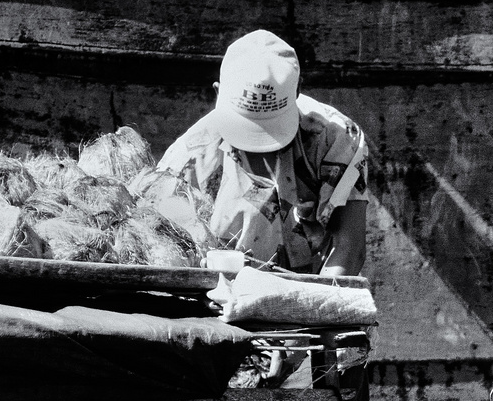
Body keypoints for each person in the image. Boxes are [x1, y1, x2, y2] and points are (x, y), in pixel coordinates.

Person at [152, 29, 368, 276]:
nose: (257, 152)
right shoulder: (188, 157)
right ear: (217, 93)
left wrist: (301, 306)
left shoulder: (336, 139)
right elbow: (160, 254)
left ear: (296, 93)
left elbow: (350, 250)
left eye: (270, 131)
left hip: (309, 295)